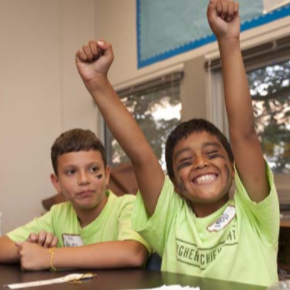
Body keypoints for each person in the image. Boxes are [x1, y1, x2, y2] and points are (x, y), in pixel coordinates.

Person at [75, 0, 279, 286]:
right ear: (173, 181)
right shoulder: (170, 217)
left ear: (233, 167)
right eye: (185, 161)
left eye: (212, 154)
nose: (201, 163)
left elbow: (244, 133)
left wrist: (228, 41)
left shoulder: (254, 211)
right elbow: (141, 155)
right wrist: (97, 81)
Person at [0, 129, 151, 271]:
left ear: (107, 175)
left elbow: (133, 253)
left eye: (93, 169)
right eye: (71, 172)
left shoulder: (127, 206)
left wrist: (48, 257)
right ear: (56, 183)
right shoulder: (58, 215)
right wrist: (30, 250)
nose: (84, 180)